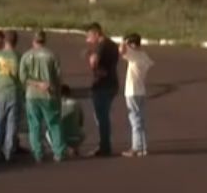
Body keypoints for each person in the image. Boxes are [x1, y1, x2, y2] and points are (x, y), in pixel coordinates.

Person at [19, 30, 66, 163]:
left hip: (31, 95)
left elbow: (22, 77)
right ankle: (58, 152)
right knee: (54, 124)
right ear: (44, 40)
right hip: (49, 94)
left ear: (33, 40)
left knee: (34, 125)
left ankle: (38, 153)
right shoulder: (52, 55)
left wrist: (36, 84)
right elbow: (58, 77)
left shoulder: (26, 56)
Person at [85, 23, 120, 157]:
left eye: (89, 36)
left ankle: (104, 146)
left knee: (101, 117)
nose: (88, 40)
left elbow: (94, 63)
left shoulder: (101, 46)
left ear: (96, 34)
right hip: (112, 83)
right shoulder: (112, 44)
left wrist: (91, 59)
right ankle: (104, 145)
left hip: (102, 85)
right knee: (104, 116)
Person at [120, 33, 154, 157]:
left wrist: (123, 41)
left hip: (132, 91)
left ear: (132, 44)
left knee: (135, 120)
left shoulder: (134, 55)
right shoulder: (144, 55)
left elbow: (121, 50)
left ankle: (136, 147)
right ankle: (143, 147)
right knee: (140, 119)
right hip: (141, 91)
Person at [0, 30, 22, 162]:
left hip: (0, 91)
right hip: (14, 91)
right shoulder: (19, 56)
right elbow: (21, 75)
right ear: (16, 41)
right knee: (12, 124)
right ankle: (9, 152)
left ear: (5, 40)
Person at [60, 84, 85, 157]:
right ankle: (75, 148)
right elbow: (81, 121)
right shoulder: (77, 103)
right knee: (79, 130)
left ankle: (61, 148)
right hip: (77, 136)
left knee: (48, 133)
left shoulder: (57, 104)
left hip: (62, 136)